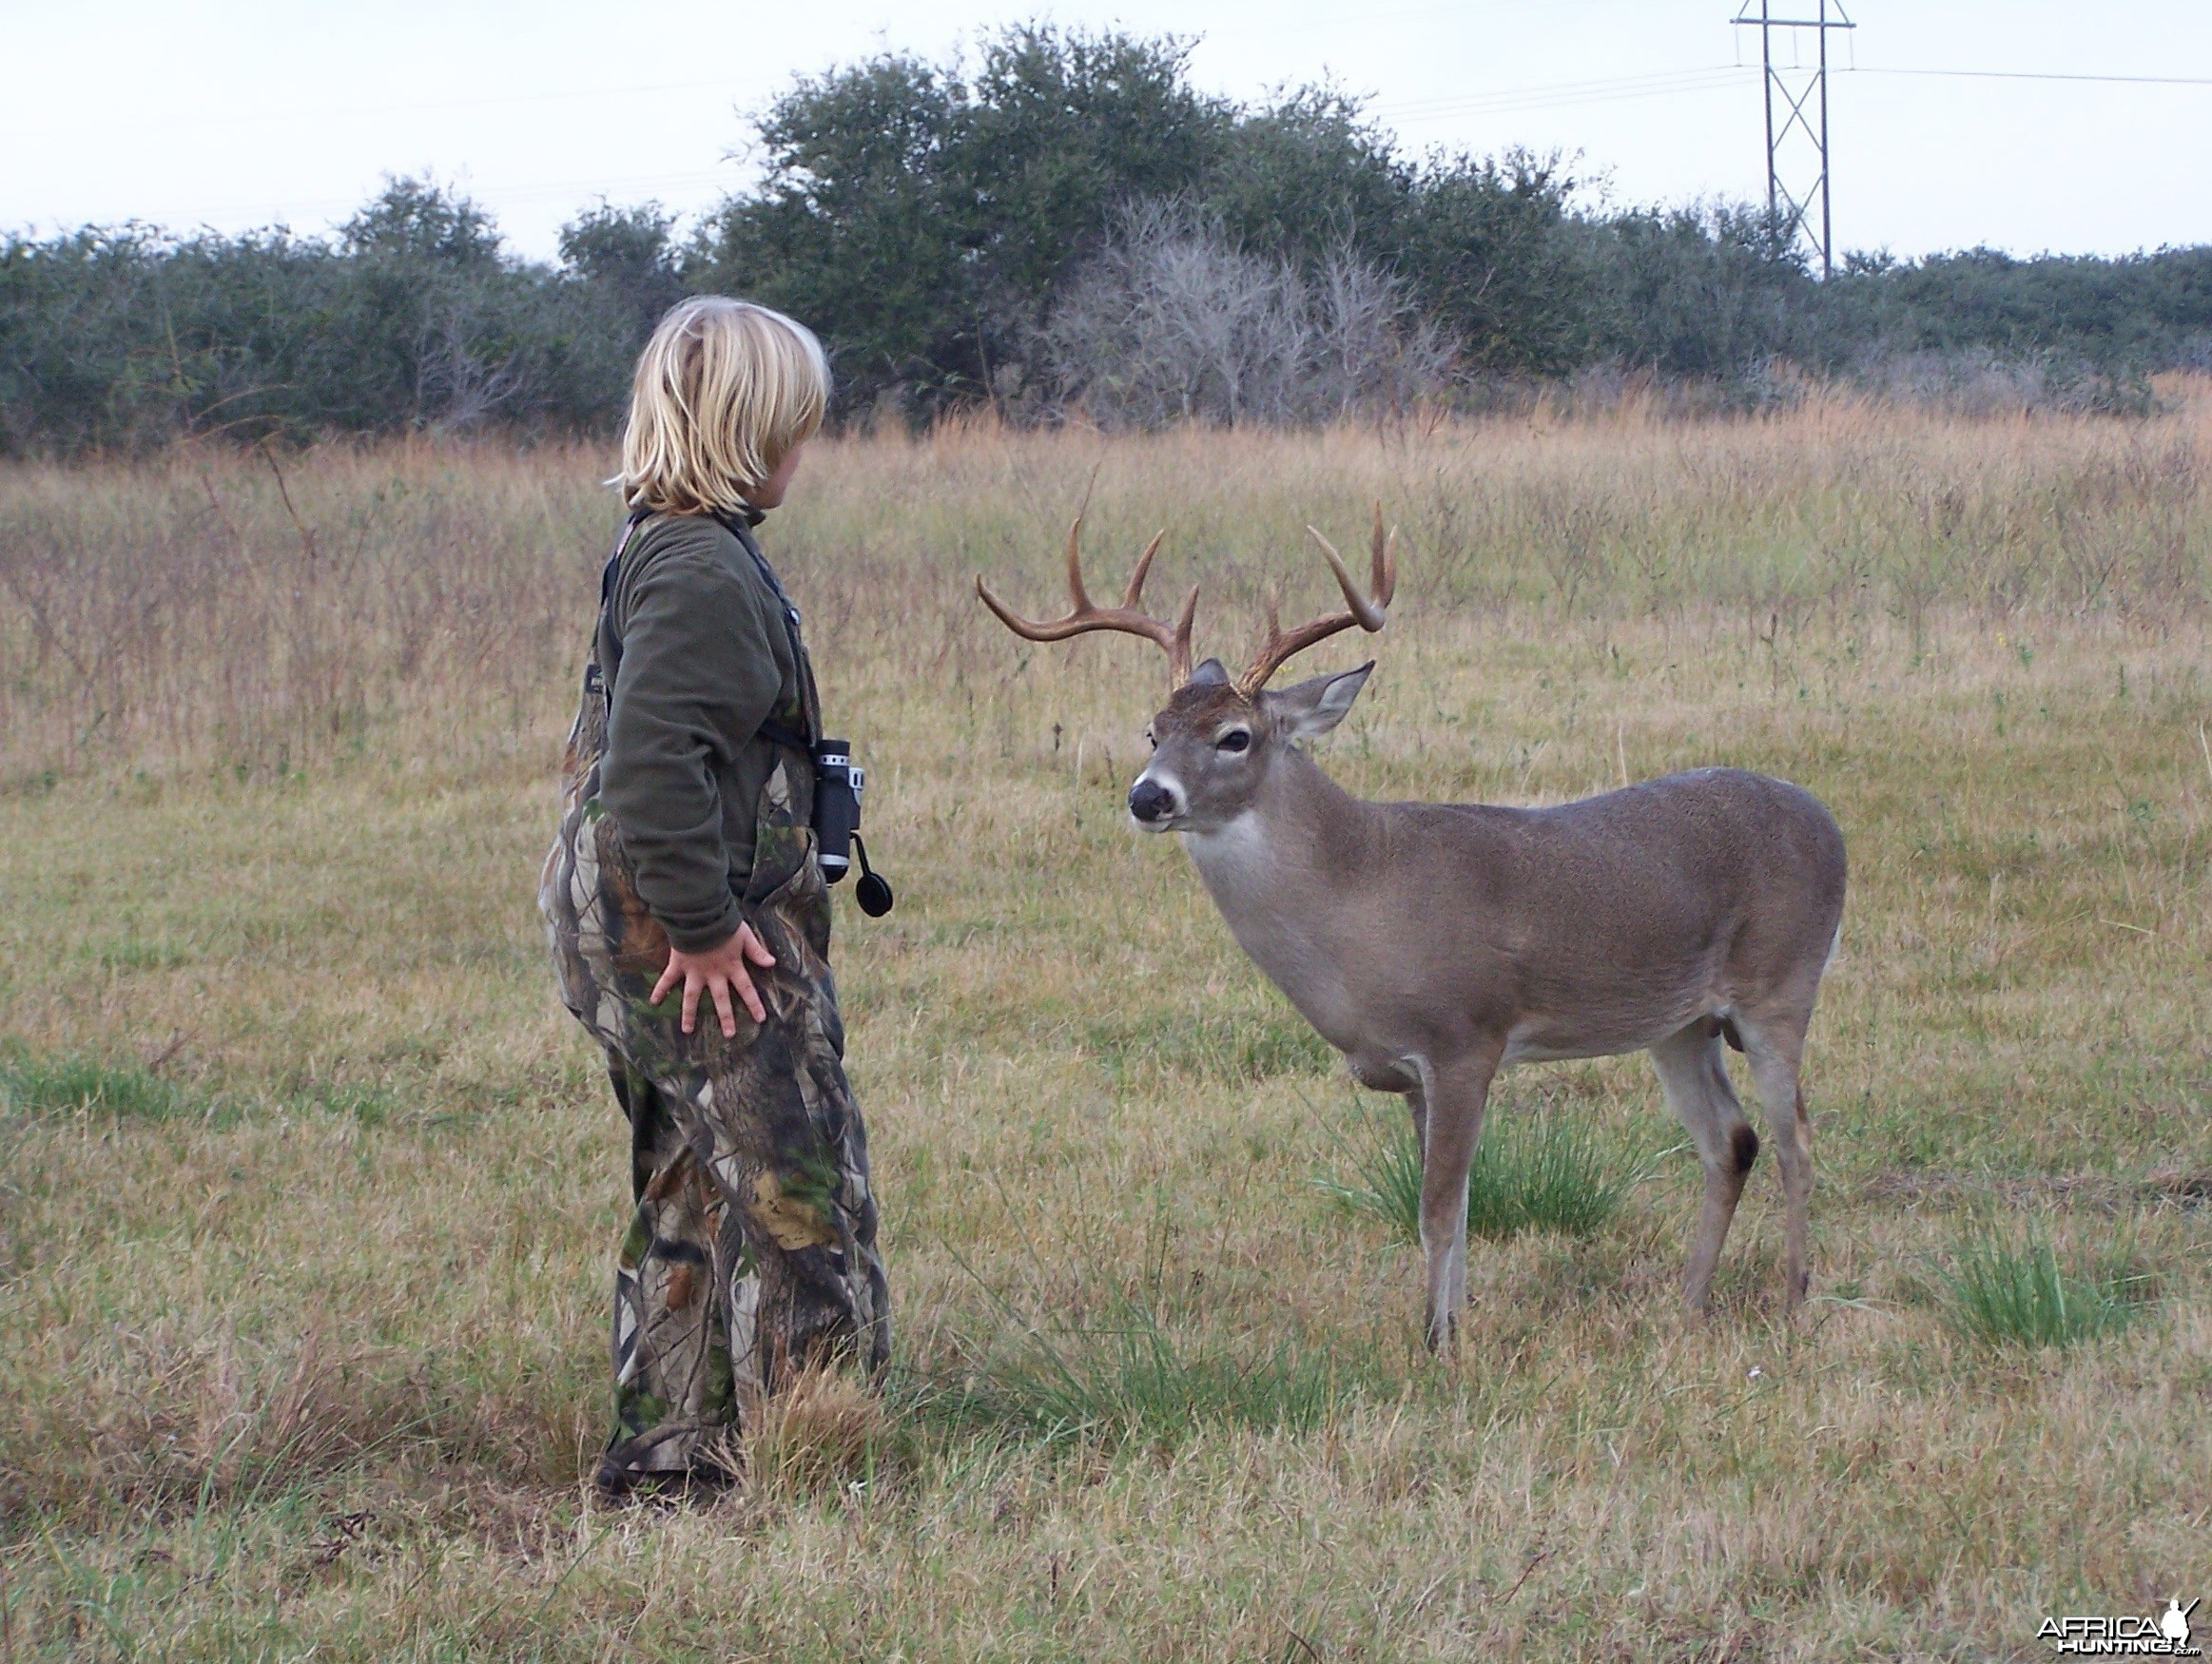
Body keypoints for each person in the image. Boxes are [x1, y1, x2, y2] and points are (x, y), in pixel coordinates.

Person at [540, 296, 888, 1499]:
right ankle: (818, 1460)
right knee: (795, 1182)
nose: (808, 449)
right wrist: (699, 922)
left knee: (690, 1175)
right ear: (746, 431)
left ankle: (672, 1461)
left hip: (636, 915)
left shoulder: (666, 541)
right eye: (796, 426)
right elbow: (648, 767)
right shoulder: (697, 565)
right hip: (676, 923)